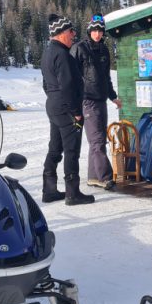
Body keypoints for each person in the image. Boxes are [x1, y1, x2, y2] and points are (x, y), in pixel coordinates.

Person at [41, 14, 94, 206]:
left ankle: (49, 190)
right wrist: (76, 112)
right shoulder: (63, 55)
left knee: (55, 147)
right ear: (61, 33)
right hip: (66, 108)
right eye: (71, 31)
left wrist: (54, 99)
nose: (74, 34)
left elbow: (45, 84)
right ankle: (73, 194)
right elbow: (69, 86)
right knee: (71, 149)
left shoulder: (48, 52)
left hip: (54, 105)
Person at [72, 14, 121, 190]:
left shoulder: (104, 50)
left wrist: (113, 96)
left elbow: (106, 77)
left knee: (98, 140)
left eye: (100, 30)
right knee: (97, 140)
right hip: (86, 100)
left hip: (101, 100)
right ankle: (105, 177)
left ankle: (93, 177)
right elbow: (70, 77)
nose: (97, 33)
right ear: (89, 30)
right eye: (94, 30)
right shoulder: (79, 48)